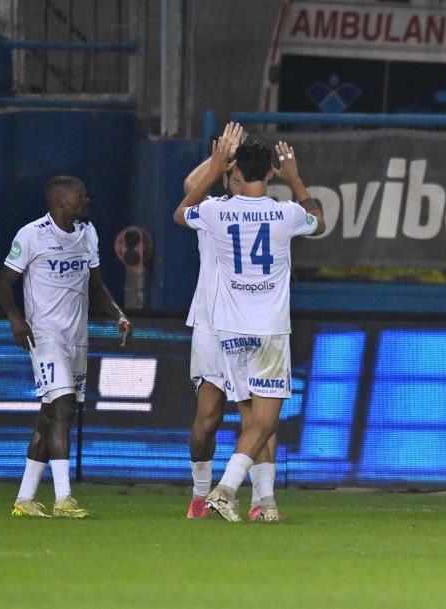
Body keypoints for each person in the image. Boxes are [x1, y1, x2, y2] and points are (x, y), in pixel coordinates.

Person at [174, 135, 325, 522]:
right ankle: (224, 490)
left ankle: (265, 503)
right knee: (264, 420)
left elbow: (181, 212)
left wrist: (216, 164)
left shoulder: (215, 212)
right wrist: (294, 178)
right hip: (267, 329)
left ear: (235, 171)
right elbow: (319, 223)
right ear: (271, 172)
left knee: (252, 417)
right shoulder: (286, 213)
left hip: (229, 330)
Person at [0, 176, 133, 518]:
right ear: (60, 202)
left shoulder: (88, 233)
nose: (87, 200)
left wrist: (118, 314)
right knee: (64, 405)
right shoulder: (32, 234)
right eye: (79, 196)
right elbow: (3, 283)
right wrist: (15, 318)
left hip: (77, 337)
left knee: (50, 415)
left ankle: (24, 498)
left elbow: (96, 285)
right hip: (45, 335)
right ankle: (63, 498)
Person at [181, 123, 282, 522]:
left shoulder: (261, 211)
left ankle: (263, 501)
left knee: (256, 414)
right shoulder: (212, 209)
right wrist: (220, 157)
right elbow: (191, 185)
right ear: (228, 174)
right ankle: (200, 493)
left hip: (246, 325)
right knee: (208, 419)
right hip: (209, 325)